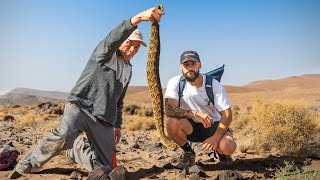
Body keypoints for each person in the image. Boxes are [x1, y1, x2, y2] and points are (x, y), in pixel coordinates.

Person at [9, 6, 164, 179]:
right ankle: (27, 164)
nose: (132, 50)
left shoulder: (128, 70)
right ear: (121, 42)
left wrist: (117, 125)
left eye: (137, 47)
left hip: (103, 119)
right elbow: (113, 37)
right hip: (80, 106)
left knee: (106, 168)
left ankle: (76, 151)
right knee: (63, 136)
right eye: (129, 43)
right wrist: (139, 18)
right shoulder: (105, 54)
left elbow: (119, 102)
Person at [164, 50, 237, 169]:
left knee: (227, 146)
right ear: (181, 67)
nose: (190, 68)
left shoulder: (213, 84)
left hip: (213, 125)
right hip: (190, 126)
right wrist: (194, 114)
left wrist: (216, 137)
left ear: (200, 64)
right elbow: (169, 110)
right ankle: (189, 153)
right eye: (186, 65)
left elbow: (227, 114)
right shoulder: (176, 82)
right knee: (172, 123)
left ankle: (222, 154)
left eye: (193, 64)